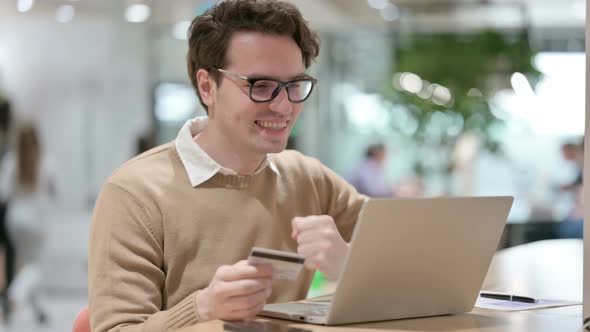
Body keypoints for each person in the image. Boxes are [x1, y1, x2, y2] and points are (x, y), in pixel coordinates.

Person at [88, 1, 366, 331]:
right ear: (207, 87)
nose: (284, 106)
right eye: (260, 86)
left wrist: (351, 265)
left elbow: (418, 263)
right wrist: (203, 307)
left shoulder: (308, 178)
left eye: (294, 85)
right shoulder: (135, 193)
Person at [0, 124, 54, 324]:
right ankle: (14, 295)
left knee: (30, 264)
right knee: (36, 267)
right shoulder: (46, 162)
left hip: (14, 220)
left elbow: (3, 194)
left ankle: (40, 310)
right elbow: (53, 191)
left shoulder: (10, 162)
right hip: (37, 221)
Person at [0, 99, 15, 321]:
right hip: (3, 207)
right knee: (8, 254)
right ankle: (7, 298)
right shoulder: (5, 145)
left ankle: (7, 298)